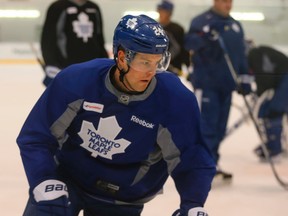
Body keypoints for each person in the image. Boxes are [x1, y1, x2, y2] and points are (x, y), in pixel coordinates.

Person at [17, 14, 216, 216]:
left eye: (158, 62)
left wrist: (193, 204)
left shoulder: (176, 100)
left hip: (124, 198)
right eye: (145, 62)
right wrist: (43, 179)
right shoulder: (76, 82)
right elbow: (38, 136)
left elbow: (193, 159)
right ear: (122, 58)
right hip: (68, 182)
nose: (152, 71)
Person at [184, 0, 253, 181]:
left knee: (220, 129)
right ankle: (202, 166)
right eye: (224, 1)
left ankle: (211, 163)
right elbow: (189, 43)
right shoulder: (201, 21)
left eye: (230, 1)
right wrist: (205, 37)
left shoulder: (235, 25)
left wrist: (245, 78)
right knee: (207, 128)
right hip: (207, 85)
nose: (228, 5)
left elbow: (240, 55)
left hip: (227, 86)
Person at [40, 0, 108, 87]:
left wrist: (104, 63)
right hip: (66, 67)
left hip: (93, 68)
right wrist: (51, 64)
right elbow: (48, 39)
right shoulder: (57, 7)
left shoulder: (94, 7)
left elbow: (99, 38)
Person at [248, 45, 288, 161]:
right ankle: (272, 145)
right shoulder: (257, 53)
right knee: (266, 111)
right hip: (282, 80)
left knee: (273, 112)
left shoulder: (254, 55)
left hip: (285, 79)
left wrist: (258, 93)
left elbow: (264, 78)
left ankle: (274, 150)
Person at [156, 0, 190, 76]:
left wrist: (187, 65)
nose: (161, 13)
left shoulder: (178, 29)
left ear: (170, 13)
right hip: (156, 68)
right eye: (159, 10)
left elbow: (183, 49)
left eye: (164, 11)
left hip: (174, 69)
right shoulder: (154, 28)